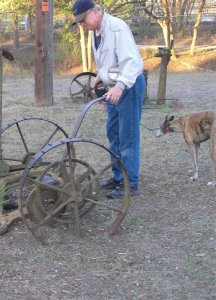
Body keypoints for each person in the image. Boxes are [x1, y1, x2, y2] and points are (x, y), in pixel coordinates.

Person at [72, 0, 146, 199]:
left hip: (128, 87)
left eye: (83, 19)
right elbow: (109, 59)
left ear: (96, 12)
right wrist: (100, 75)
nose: (82, 24)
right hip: (113, 87)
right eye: (78, 21)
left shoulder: (117, 28)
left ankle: (130, 183)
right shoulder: (96, 30)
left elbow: (131, 62)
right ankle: (117, 176)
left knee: (127, 136)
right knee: (113, 133)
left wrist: (120, 86)